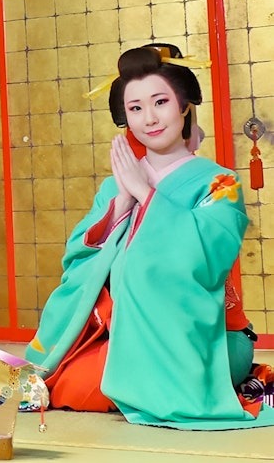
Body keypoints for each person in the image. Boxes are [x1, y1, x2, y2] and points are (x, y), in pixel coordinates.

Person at [25, 44, 274, 429]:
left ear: (184, 106)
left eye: (160, 102)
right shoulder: (115, 185)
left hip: (205, 331)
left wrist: (146, 194)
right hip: (127, 327)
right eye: (136, 108)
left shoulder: (221, 181)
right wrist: (123, 201)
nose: (150, 118)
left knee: (112, 386)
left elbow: (207, 255)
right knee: (79, 384)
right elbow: (78, 260)